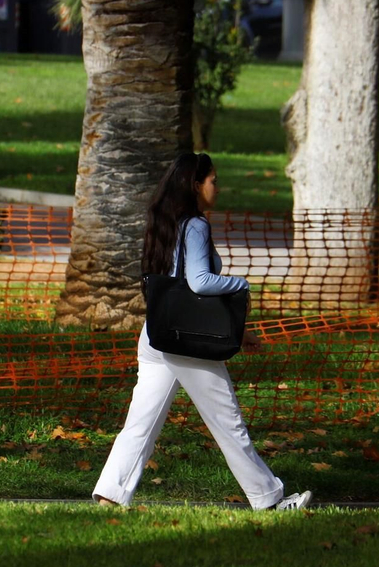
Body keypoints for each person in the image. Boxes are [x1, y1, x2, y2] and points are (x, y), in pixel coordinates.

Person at [93, 153, 311, 512]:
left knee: (141, 423)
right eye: (213, 180)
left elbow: (177, 284)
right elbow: (199, 282)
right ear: (196, 185)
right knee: (228, 423)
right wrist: (241, 284)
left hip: (157, 335)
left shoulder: (167, 223)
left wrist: (241, 332)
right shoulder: (195, 224)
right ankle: (269, 500)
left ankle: (110, 495)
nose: (218, 188)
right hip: (187, 344)